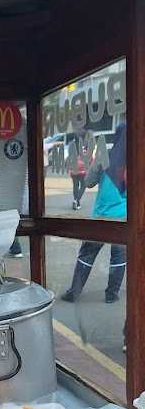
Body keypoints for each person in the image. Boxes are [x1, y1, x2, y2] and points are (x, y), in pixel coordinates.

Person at [62, 122, 127, 304]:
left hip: (101, 216)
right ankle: (111, 295)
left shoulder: (104, 156)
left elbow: (89, 182)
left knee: (87, 255)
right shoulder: (138, 158)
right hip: (124, 218)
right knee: (119, 257)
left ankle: (73, 293)